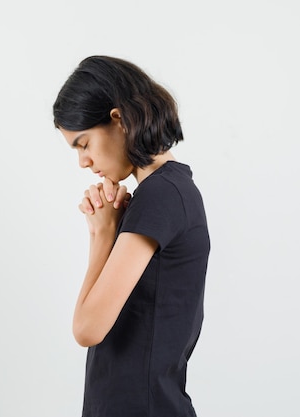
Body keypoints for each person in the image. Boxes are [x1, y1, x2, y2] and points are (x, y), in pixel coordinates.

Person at [53, 56, 210, 417]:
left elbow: (88, 329)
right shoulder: (163, 193)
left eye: (83, 143)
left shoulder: (161, 195)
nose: (83, 162)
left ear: (118, 120)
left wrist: (101, 233)